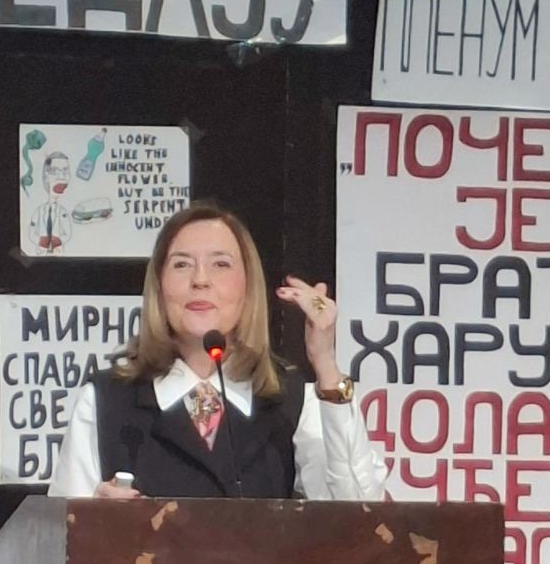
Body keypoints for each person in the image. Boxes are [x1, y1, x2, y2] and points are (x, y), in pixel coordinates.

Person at [48, 201, 386, 500]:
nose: (200, 280)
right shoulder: (106, 400)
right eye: (182, 264)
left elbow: (358, 510)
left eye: (220, 264)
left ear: (247, 286)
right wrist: (94, 520)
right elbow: (57, 539)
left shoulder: (291, 401)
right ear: (159, 287)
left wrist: (325, 363)